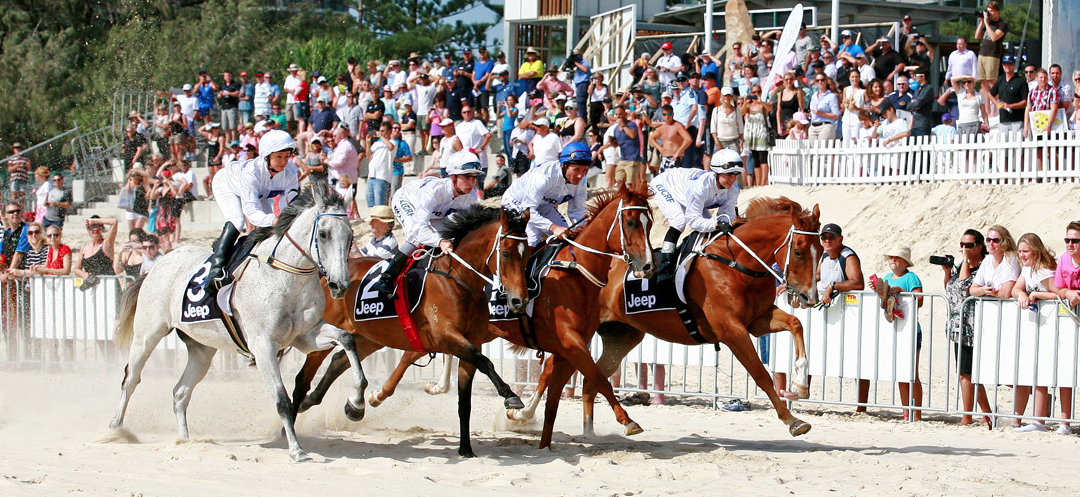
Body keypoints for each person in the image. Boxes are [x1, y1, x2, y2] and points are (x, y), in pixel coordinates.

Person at [374, 152, 485, 298]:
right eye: (467, 177)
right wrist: (440, 242)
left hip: (436, 212)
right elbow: (418, 229)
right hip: (406, 200)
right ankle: (386, 278)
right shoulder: (434, 192)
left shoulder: (470, 198)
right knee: (417, 238)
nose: (472, 183)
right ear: (453, 176)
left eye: (475, 177)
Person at [205, 129, 300, 287]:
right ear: (267, 157)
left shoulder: (290, 172)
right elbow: (253, 214)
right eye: (278, 157)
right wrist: (275, 220)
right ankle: (216, 271)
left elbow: (290, 200)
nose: (284, 161)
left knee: (271, 227)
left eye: (286, 156)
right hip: (226, 184)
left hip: (260, 194)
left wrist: (285, 216)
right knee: (238, 221)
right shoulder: (251, 173)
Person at [651, 149, 743, 279]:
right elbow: (693, 220)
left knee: (710, 225)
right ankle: (664, 269)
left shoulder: (734, 190)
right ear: (716, 172)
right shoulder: (701, 188)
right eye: (728, 175)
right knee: (679, 221)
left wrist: (723, 224)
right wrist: (717, 224)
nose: (732, 179)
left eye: (735, 174)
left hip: (687, 191)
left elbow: (726, 217)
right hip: (665, 184)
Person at [1009, 233, 1065, 433]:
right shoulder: (1028, 268)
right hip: (1037, 326)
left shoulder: (1043, 270)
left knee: (1045, 372)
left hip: (1051, 325)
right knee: (1032, 371)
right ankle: (1036, 419)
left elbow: (1059, 292)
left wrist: (1036, 294)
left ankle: (1041, 420)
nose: (1022, 255)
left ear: (1035, 250)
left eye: (1026, 251)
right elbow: (1015, 288)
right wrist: (1023, 293)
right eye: (1020, 251)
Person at [870, 246, 925, 421]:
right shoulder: (886, 278)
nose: (893, 260)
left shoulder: (911, 277)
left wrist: (903, 292)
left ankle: (916, 413)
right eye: (891, 257)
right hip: (894, 329)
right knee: (901, 372)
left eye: (897, 257)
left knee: (912, 373)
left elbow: (920, 300)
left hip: (910, 330)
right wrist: (877, 289)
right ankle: (905, 411)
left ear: (905, 262)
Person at [502, 142, 591, 248]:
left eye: (584, 170)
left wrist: (583, 231)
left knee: (567, 237)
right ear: (564, 165)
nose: (580, 175)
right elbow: (528, 211)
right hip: (518, 204)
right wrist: (553, 227)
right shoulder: (543, 177)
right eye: (576, 170)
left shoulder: (582, 181)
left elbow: (577, 212)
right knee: (533, 237)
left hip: (544, 206)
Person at [969, 224, 1020, 298]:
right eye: (988, 240)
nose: (990, 244)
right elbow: (972, 290)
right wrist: (983, 290)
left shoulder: (1010, 258)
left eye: (995, 241)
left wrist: (989, 293)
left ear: (1004, 242)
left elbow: (1005, 293)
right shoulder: (988, 259)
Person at [742, 85, 773, 186]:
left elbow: (770, 109)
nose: (756, 94)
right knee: (755, 159)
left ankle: (764, 181)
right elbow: (742, 112)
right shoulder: (749, 105)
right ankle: (758, 183)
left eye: (758, 92)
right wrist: (745, 102)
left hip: (762, 133)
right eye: (754, 92)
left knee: (763, 158)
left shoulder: (763, 105)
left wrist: (761, 101)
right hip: (752, 135)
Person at [989, 54, 1027, 136]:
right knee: (1004, 146)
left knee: (1017, 145)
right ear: (1002, 65)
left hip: (1017, 119)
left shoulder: (1021, 81)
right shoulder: (1000, 80)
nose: (1007, 66)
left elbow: (1025, 102)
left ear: (1014, 65)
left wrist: (1010, 105)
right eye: (1005, 64)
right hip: (1003, 120)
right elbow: (990, 94)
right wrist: (997, 104)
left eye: (1010, 64)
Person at [649, 104, 692, 175]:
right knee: (664, 181)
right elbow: (651, 138)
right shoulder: (662, 127)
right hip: (665, 157)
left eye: (669, 114)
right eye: (664, 114)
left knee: (675, 181)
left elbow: (688, 139)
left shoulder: (677, 126)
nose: (667, 117)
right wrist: (660, 148)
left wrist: (678, 152)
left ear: (673, 114)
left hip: (676, 157)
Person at [72, 216, 118, 280]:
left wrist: (93, 221)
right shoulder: (84, 248)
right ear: (88, 229)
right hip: (93, 285)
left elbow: (114, 222)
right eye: (92, 226)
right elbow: (76, 269)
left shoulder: (106, 244)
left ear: (102, 228)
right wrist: (84, 274)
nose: (95, 229)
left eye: (99, 226)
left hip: (108, 284)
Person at [367, 122, 396, 207]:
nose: (381, 133)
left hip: (382, 176)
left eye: (383, 131)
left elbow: (391, 147)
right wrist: (368, 143)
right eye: (380, 131)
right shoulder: (376, 144)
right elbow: (369, 156)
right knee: (371, 202)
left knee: (380, 204)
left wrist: (381, 136)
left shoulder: (393, 142)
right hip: (372, 175)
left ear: (389, 131)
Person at [808, 75, 840, 140]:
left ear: (826, 81)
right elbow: (813, 113)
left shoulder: (831, 96)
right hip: (813, 125)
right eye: (817, 80)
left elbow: (836, 115)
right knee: (812, 149)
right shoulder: (814, 96)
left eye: (822, 80)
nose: (820, 82)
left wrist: (821, 113)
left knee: (823, 149)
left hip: (825, 125)